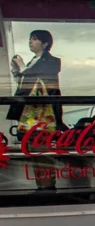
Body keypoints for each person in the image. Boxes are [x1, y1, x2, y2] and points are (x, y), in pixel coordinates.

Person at [7, 30, 64, 191]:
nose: (30, 42)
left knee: (42, 152)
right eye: (30, 39)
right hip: (31, 116)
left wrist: (22, 67)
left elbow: (38, 78)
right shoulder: (34, 61)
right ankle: (41, 186)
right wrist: (16, 71)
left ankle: (47, 187)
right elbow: (26, 85)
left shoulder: (52, 61)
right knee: (33, 151)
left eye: (34, 39)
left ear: (44, 43)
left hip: (43, 117)